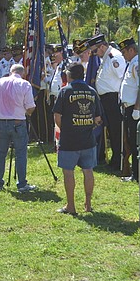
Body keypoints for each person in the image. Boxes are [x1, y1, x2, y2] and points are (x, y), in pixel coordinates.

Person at [53, 63, 102, 215]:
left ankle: (71, 206)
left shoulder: (65, 91)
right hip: (88, 139)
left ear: (69, 75)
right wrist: (87, 127)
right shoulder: (92, 92)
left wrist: (67, 129)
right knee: (88, 171)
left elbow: (57, 117)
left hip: (69, 140)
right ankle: (88, 204)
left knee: (68, 172)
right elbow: (98, 118)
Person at [0, 63, 37, 192]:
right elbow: (30, 106)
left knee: (0, 153)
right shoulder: (24, 84)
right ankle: (22, 184)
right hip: (17, 122)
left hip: (1, 121)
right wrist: (27, 111)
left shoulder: (1, 81)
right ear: (22, 73)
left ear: (10, 71)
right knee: (21, 153)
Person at [118, 38, 140, 182]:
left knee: (137, 142)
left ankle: (139, 175)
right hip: (130, 107)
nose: (123, 55)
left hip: (136, 108)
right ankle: (136, 173)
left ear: (132, 50)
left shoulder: (139, 64)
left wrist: (137, 109)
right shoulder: (132, 63)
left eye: (124, 52)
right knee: (131, 141)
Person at [91, 34, 126, 171]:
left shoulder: (113, 57)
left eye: (95, 51)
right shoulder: (106, 57)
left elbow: (122, 77)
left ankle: (119, 159)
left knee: (116, 130)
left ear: (103, 46)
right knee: (112, 130)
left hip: (113, 98)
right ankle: (115, 158)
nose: (94, 54)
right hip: (106, 99)